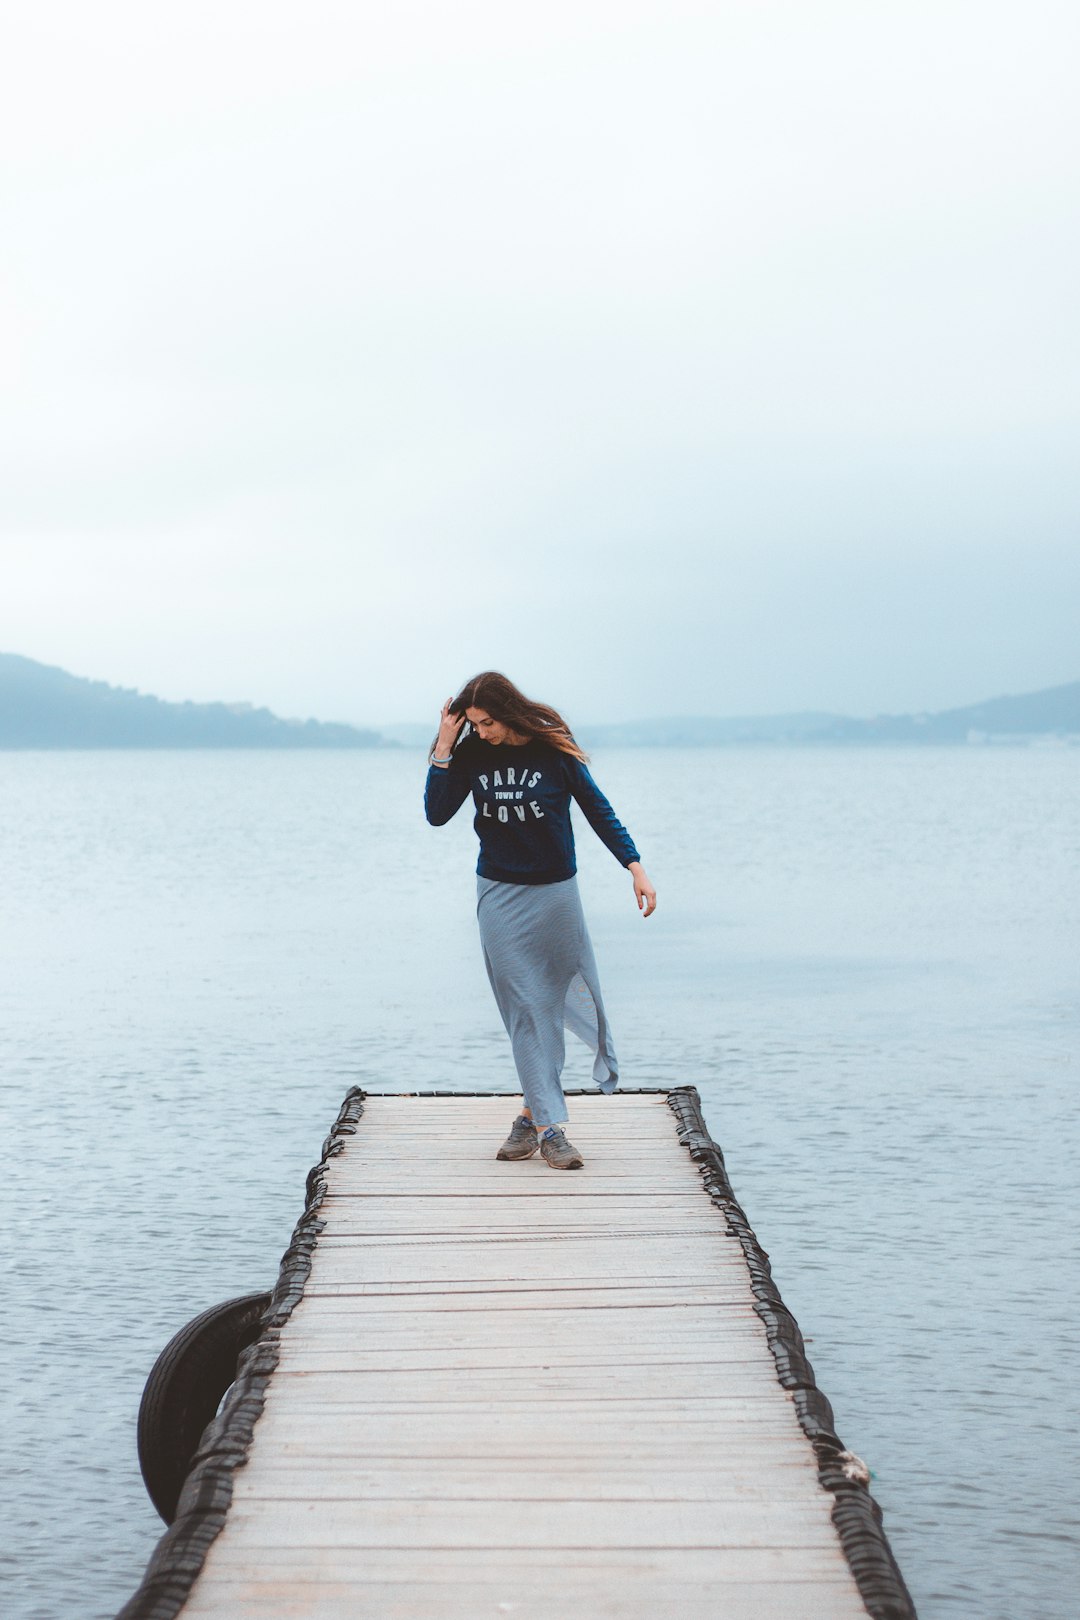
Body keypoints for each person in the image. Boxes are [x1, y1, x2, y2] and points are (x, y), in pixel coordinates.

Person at [424, 671, 656, 1169]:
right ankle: (552, 1130)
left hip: (556, 895)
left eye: (487, 723)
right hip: (500, 895)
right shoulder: (470, 753)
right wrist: (445, 745)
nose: (481, 732)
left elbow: (597, 808)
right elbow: (437, 814)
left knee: (548, 1002)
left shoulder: (552, 748)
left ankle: (530, 1117)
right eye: (474, 724)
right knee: (524, 1007)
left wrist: (634, 867)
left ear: (508, 714)